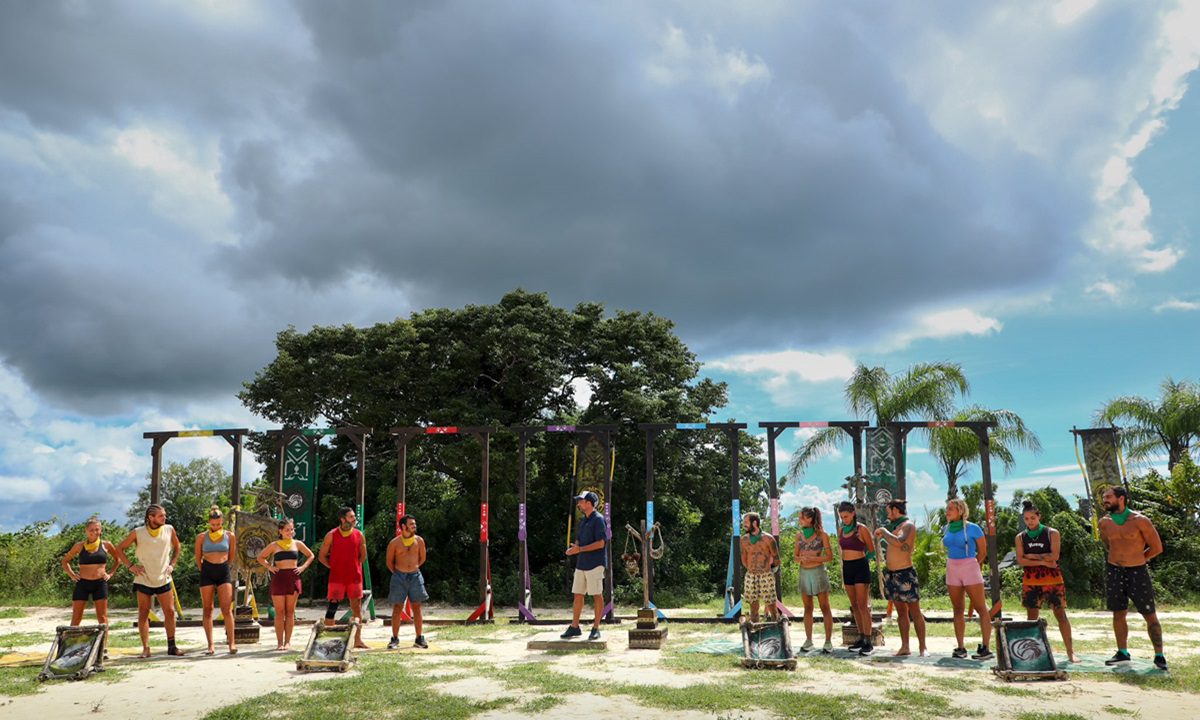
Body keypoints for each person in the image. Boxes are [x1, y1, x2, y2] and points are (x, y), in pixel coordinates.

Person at [1099, 485, 1166, 670]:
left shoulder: (1140, 520)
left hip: (1137, 572)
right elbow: (1108, 545)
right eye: (1104, 498)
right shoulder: (1104, 522)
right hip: (1114, 571)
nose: (1105, 501)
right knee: (1118, 613)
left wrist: (1139, 558)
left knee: (1149, 614)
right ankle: (1123, 652)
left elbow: (1157, 547)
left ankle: (1159, 655)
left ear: (1121, 498)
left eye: (1108, 497)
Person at [114, 504, 185, 658]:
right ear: (150, 517)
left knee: (170, 612)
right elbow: (119, 549)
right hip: (143, 578)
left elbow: (177, 546)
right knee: (143, 613)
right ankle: (146, 648)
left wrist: (172, 564)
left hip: (163, 577)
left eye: (164, 515)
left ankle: (172, 646)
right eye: (161, 516)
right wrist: (131, 566)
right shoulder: (138, 532)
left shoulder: (169, 529)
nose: (164, 517)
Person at [1014, 499, 1077, 662]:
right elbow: (1021, 560)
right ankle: (1032, 654)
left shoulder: (1052, 533)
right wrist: (1043, 561)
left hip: (1053, 581)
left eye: (1032, 518)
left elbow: (1054, 556)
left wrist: (1031, 556)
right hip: (1031, 582)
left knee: (1061, 615)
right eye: (1026, 519)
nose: (1030, 521)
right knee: (1032, 619)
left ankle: (1070, 652)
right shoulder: (1020, 537)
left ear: (1039, 516)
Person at [875, 499, 927, 656]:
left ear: (895, 510)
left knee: (915, 611)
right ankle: (905, 646)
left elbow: (900, 542)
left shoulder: (908, 526)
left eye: (888, 511)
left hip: (905, 573)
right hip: (892, 574)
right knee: (901, 613)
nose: (887, 515)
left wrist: (883, 532)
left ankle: (923, 647)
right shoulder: (894, 527)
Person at [943, 498, 993, 660]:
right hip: (952, 567)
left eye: (951, 509)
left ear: (961, 510)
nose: (947, 511)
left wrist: (972, 565)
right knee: (957, 609)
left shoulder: (973, 528)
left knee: (981, 608)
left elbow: (983, 552)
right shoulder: (946, 528)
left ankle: (985, 648)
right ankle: (960, 647)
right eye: (947, 508)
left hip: (969, 566)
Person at [61, 517, 118, 656]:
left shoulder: (106, 545)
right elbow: (65, 561)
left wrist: (110, 573)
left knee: (102, 617)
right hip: (83, 584)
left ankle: (103, 648)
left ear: (101, 530)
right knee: (76, 617)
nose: (94, 532)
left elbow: (118, 559)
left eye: (97, 529)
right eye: (91, 530)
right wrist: (72, 575)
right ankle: (71, 647)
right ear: (86, 531)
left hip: (100, 583)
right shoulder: (79, 546)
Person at [258, 517, 314, 651]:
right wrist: (270, 567)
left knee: (290, 612)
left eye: (292, 529)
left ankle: (288, 641)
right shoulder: (274, 545)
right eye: (287, 530)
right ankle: (279, 643)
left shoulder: (297, 544)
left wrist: (303, 567)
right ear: (280, 531)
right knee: (279, 612)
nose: (290, 532)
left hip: (293, 577)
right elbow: (260, 557)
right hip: (279, 578)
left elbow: (311, 555)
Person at [318, 506, 369, 650]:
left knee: (356, 608)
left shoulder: (359, 535)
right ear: (342, 519)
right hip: (336, 578)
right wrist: (334, 567)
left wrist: (355, 565)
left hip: (354, 577)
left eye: (354, 516)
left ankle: (357, 640)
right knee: (332, 607)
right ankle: (328, 640)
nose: (354, 519)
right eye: (351, 517)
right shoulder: (331, 535)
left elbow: (363, 556)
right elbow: (322, 557)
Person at [561, 491, 607, 641]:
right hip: (582, 563)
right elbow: (579, 539)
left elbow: (601, 543)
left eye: (581, 501)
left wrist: (579, 549)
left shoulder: (598, 519)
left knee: (596, 595)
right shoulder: (584, 520)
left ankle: (596, 628)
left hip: (595, 564)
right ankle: (575, 627)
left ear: (589, 503)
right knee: (578, 594)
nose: (578, 504)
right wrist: (575, 547)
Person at [194, 505, 238, 655]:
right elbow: (198, 558)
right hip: (207, 571)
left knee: (227, 609)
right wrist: (204, 570)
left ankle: (232, 643)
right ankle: (210, 645)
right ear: (209, 522)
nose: (216, 526)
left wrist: (224, 565)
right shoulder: (201, 537)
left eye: (218, 524)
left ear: (222, 521)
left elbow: (231, 556)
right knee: (208, 609)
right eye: (213, 524)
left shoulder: (230, 536)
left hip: (223, 571)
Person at [837, 501, 876, 655]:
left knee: (862, 605)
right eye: (842, 517)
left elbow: (871, 551)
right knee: (854, 605)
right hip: (847, 567)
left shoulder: (861, 529)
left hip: (860, 567)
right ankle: (861, 637)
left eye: (846, 516)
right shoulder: (841, 530)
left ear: (853, 513)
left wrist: (863, 561)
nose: (844, 519)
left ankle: (868, 640)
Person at [793, 507, 834, 653]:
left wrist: (813, 558)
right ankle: (808, 640)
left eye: (801, 517)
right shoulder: (799, 536)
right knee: (807, 607)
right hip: (804, 573)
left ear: (809, 519)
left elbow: (829, 557)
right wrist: (801, 559)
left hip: (818, 573)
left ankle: (828, 641)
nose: (799, 520)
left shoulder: (822, 535)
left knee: (824, 606)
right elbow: (795, 557)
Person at [386, 514, 429, 650]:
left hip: (415, 575)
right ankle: (394, 638)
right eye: (411, 524)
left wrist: (413, 568)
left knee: (417, 606)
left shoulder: (419, 540)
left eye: (414, 524)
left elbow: (422, 558)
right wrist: (399, 572)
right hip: (399, 576)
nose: (414, 526)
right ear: (403, 526)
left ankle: (419, 638)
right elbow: (389, 562)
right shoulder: (394, 543)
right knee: (397, 607)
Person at [739, 511, 780, 624]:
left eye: (746, 522)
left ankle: (776, 628)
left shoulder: (768, 539)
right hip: (751, 575)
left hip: (766, 574)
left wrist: (768, 570)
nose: (744, 525)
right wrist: (752, 569)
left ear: (754, 523)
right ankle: (755, 629)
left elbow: (776, 559)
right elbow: (744, 558)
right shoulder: (744, 540)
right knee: (753, 606)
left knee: (771, 605)